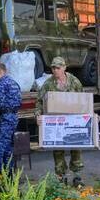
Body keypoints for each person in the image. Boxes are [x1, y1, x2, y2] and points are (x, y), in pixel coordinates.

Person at [35, 57, 85, 186]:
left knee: (76, 146)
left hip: (73, 120)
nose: (55, 70)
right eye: (53, 68)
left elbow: (83, 100)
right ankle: (60, 176)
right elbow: (39, 102)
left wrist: (89, 116)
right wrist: (38, 115)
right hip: (57, 121)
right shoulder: (48, 84)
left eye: (58, 68)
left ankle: (77, 176)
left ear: (64, 68)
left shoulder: (74, 82)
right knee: (57, 149)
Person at [0, 62, 22, 172]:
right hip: (13, 118)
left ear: (0, 71)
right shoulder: (14, 83)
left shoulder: (0, 83)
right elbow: (19, 102)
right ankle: (10, 177)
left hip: (3, 120)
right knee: (8, 149)